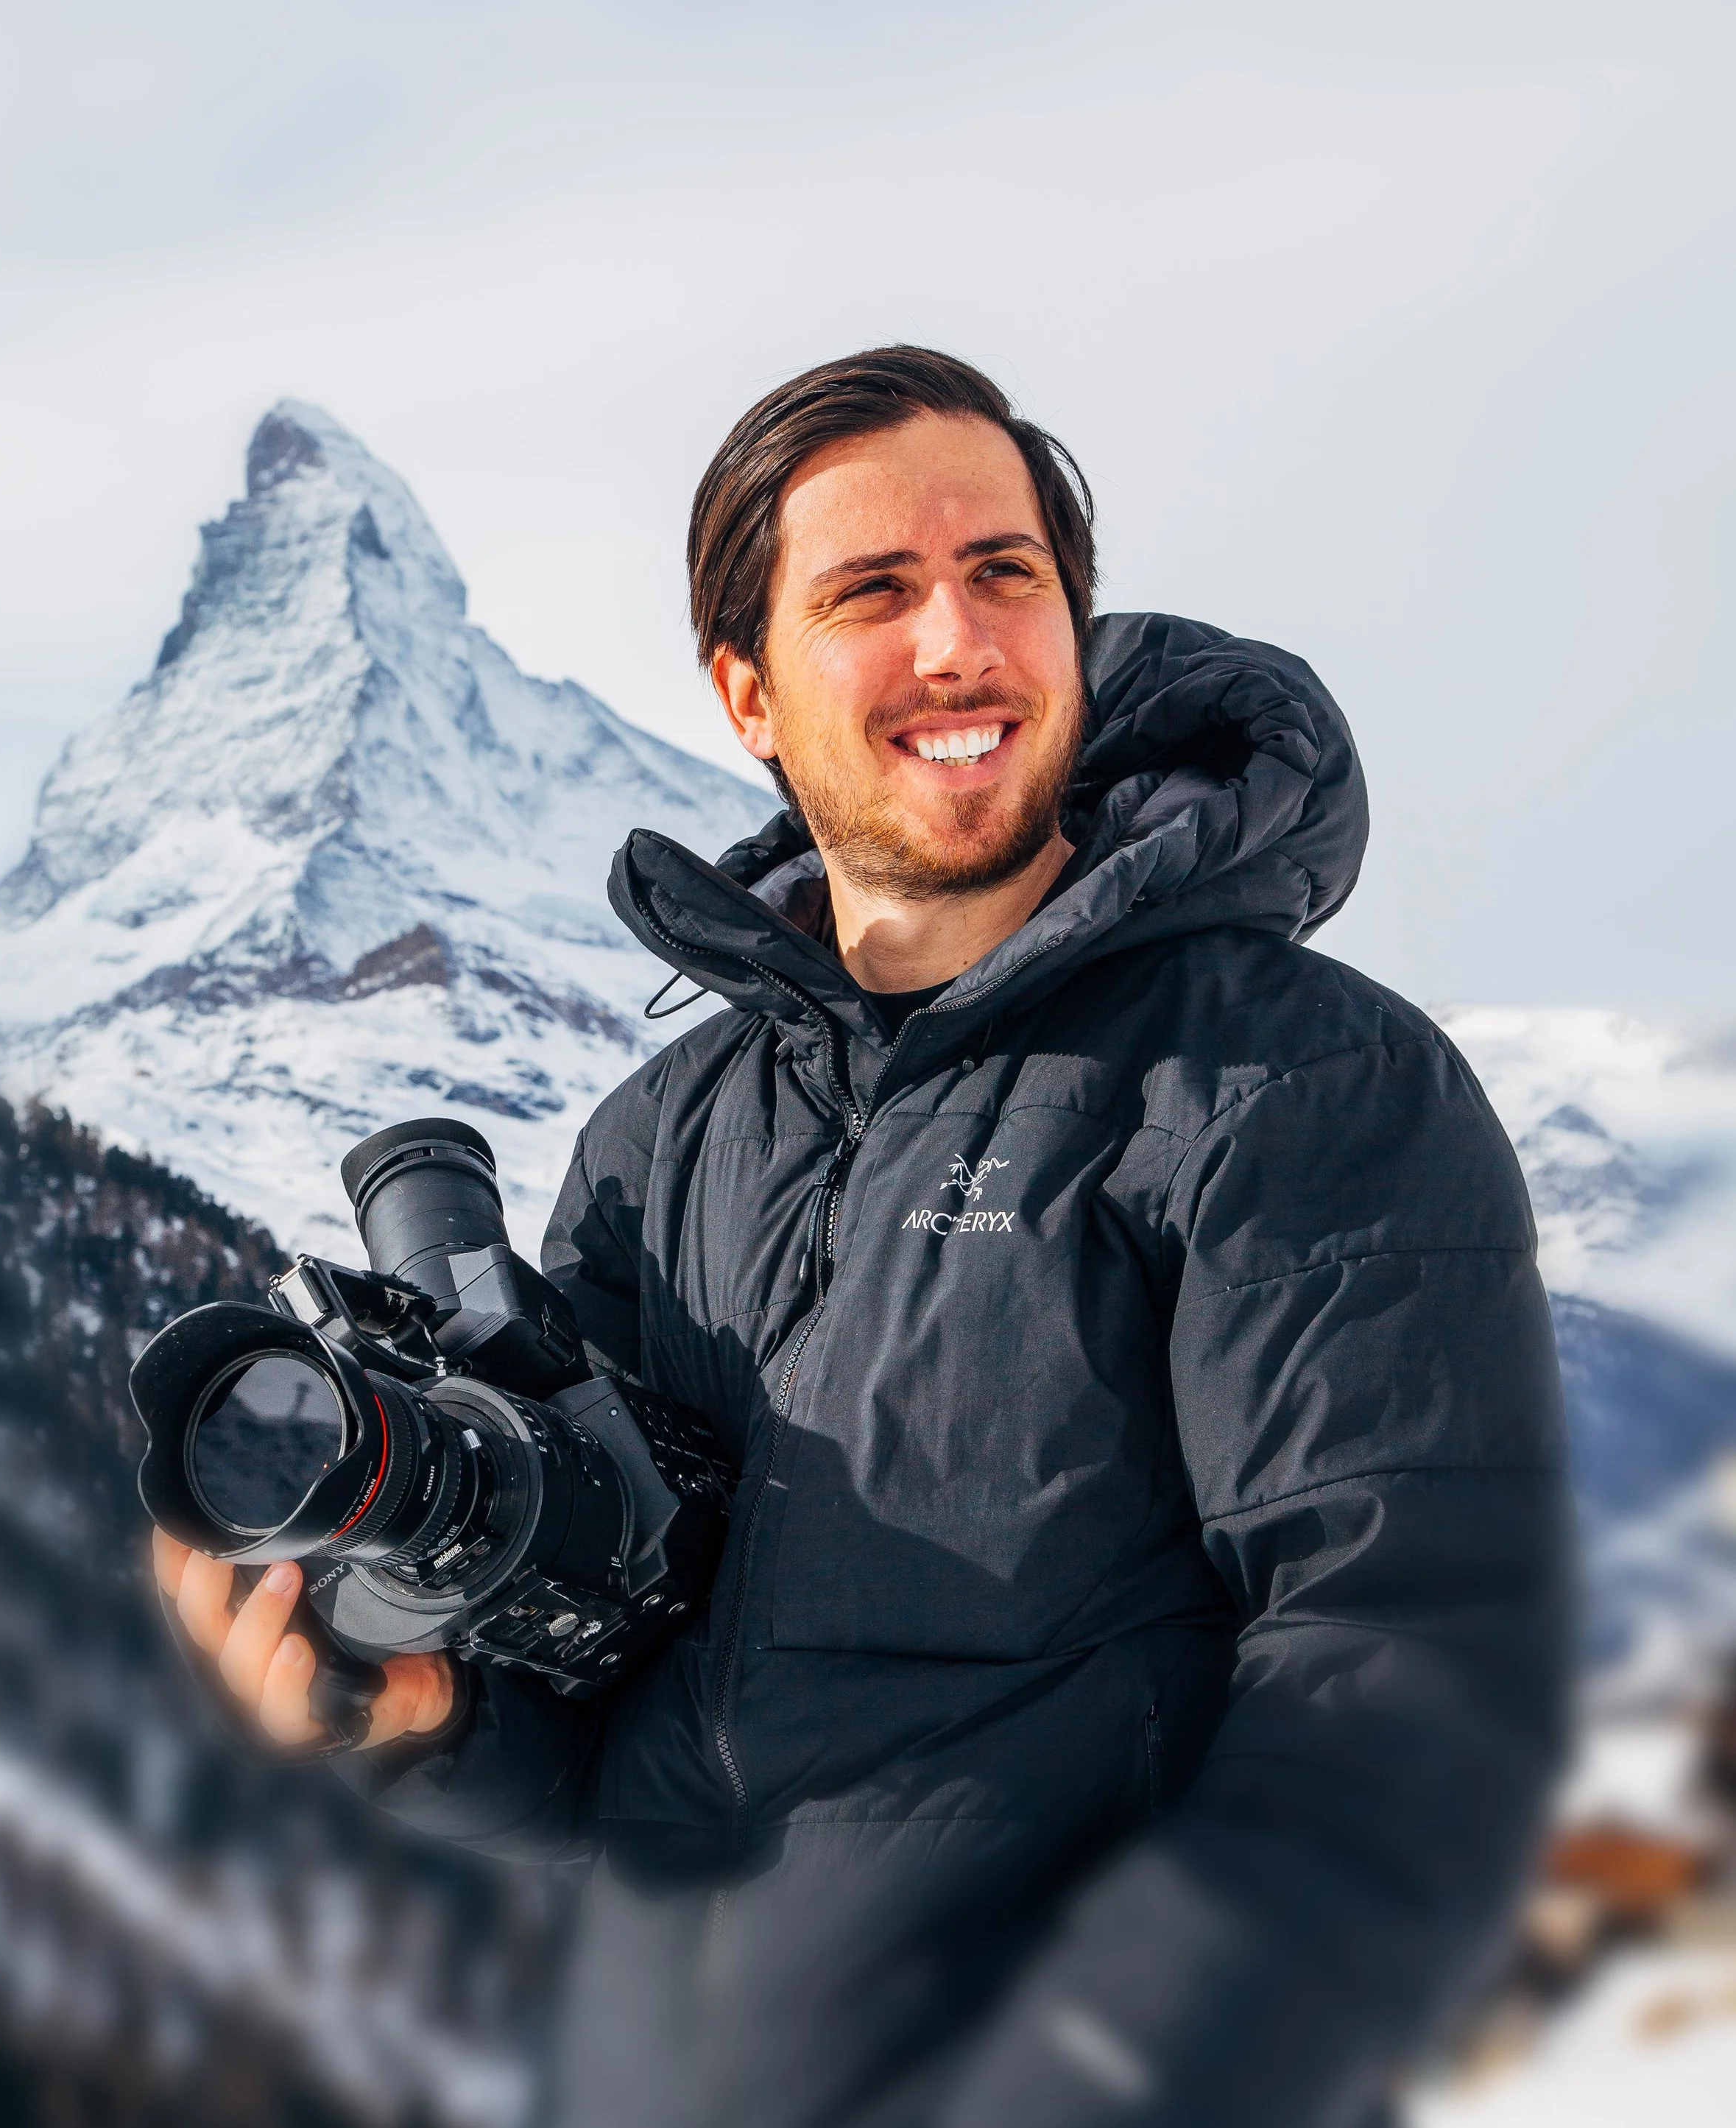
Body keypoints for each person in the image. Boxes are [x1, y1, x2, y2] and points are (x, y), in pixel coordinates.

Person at [153, 347, 1571, 2127]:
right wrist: (428, 1716)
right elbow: (619, 1755)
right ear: (747, 691)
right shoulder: (660, 1145)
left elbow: (1405, 1702)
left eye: (1003, 574)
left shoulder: (1291, 1079)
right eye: (872, 591)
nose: (955, 642)